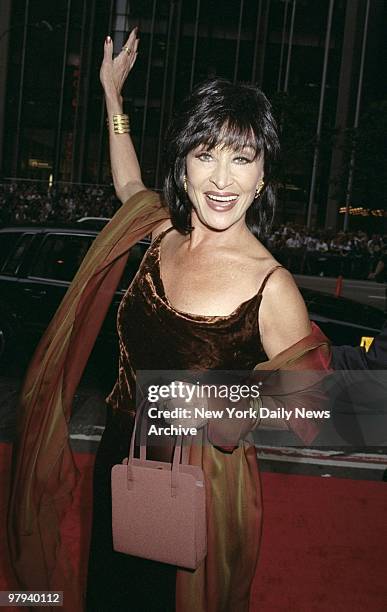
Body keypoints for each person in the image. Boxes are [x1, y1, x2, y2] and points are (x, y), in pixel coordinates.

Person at [7, 29, 330, 612]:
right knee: (112, 593)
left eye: (242, 158)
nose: (222, 178)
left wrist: (226, 407)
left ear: (263, 178)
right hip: (120, 454)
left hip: (198, 484)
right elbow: (128, 183)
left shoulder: (272, 286)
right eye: (205, 155)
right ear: (182, 168)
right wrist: (112, 97)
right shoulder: (160, 233)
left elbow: (312, 405)